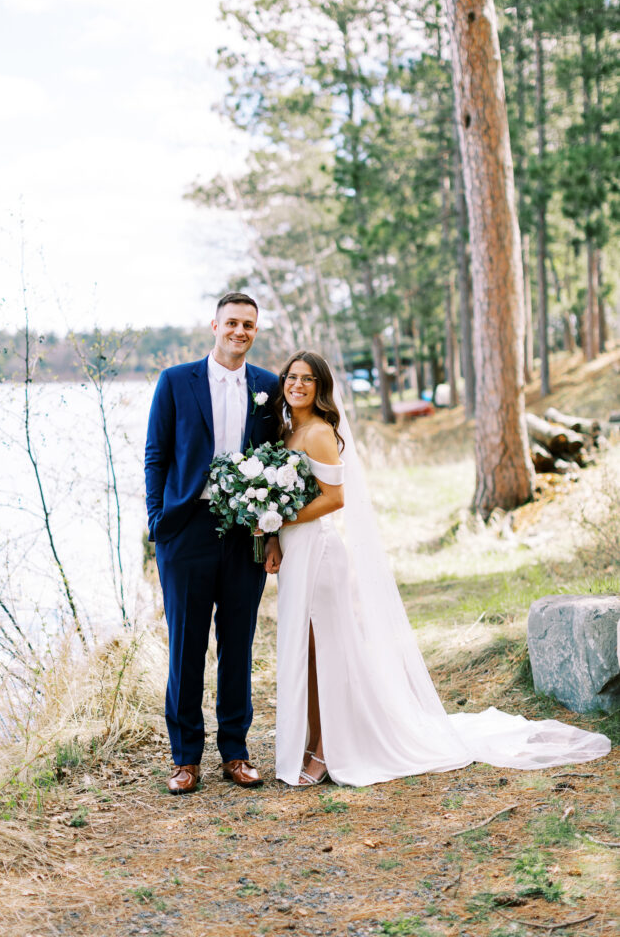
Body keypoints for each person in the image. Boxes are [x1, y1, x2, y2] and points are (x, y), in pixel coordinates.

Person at [273, 351, 610, 787]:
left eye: (307, 379)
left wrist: (280, 518)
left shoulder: (317, 431)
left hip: (318, 552)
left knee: (329, 654)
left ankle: (327, 748)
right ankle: (312, 737)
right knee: (309, 654)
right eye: (292, 377)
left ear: (320, 387)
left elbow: (335, 499)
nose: (297, 385)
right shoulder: (288, 431)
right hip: (295, 552)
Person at [145, 293, 281, 794]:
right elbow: (155, 454)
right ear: (214, 326)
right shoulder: (177, 381)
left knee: (238, 643)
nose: (239, 331)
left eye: (248, 325)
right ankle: (185, 759)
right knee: (186, 646)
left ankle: (236, 752)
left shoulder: (268, 387)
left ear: (254, 331)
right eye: (231, 323)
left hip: (246, 530)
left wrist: (272, 534)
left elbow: (277, 463)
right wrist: (158, 519)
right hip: (186, 529)